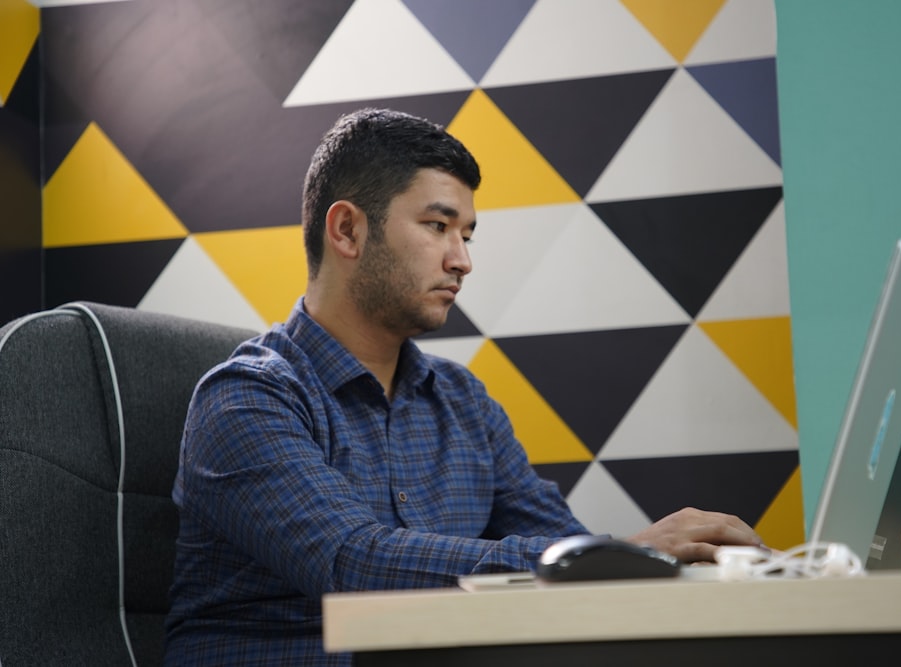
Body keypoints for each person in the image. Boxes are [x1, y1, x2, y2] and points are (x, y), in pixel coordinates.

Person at [164, 107, 763, 665]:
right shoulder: (247, 397)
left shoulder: (462, 402)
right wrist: (613, 555)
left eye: (467, 235)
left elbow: (561, 547)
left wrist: (651, 565)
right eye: (437, 226)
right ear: (347, 230)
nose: (462, 261)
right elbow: (351, 561)